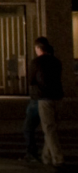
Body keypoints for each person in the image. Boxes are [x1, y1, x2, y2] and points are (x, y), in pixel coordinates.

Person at [25, 37, 64, 166]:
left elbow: (31, 80)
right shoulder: (57, 62)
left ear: (38, 48)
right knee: (52, 128)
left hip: (44, 98)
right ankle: (46, 156)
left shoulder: (36, 62)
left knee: (48, 129)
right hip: (58, 97)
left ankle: (57, 158)